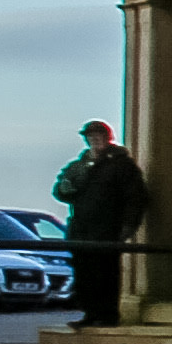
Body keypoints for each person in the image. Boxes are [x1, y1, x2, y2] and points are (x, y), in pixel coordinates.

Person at [53, 121, 149, 328]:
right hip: (81, 230)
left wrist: (127, 227)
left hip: (107, 229)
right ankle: (90, 313)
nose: (94, 140)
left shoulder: (122, 166)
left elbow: (135, 198)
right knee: (84, 274)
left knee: (105, 273)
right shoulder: (78, 166)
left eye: (98, 136)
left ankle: (107, 315)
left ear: (107, 137)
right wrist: (64, 188)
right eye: (90, 137)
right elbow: (60, 190)